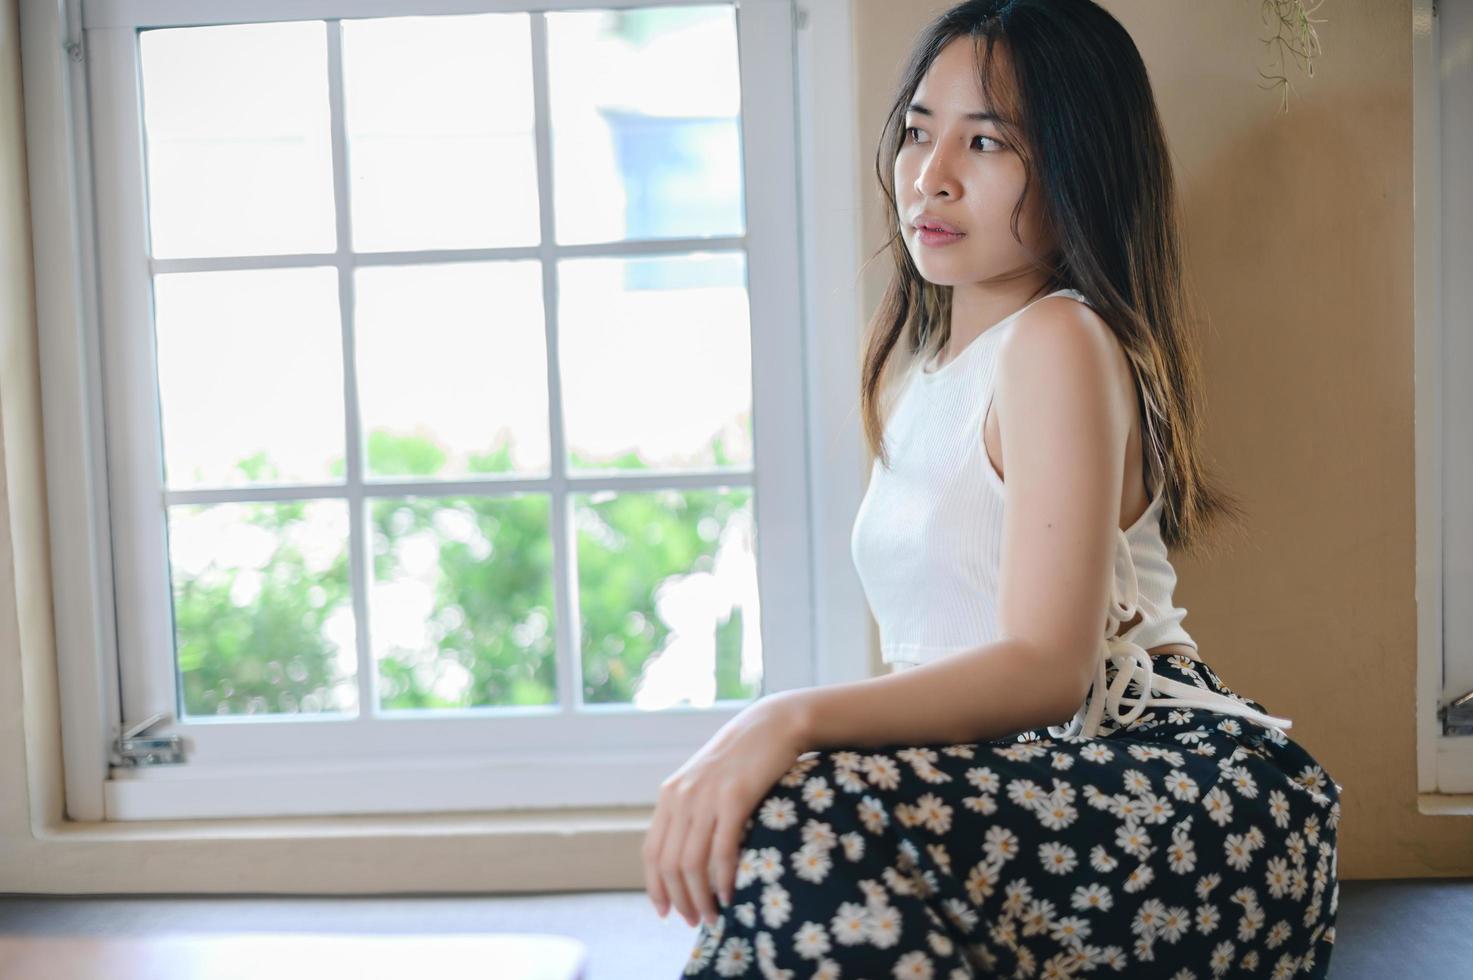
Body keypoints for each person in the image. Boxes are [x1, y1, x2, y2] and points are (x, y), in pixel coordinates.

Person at [644, 1, 1342, 976]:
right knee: (794, 827)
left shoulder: (1058, 339)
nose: (931, 174)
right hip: (1031, 786)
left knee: (804, 804)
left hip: (1175, 788)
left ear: (1076, 164)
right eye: (919, 131)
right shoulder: (924, 368)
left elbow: (1046, 670)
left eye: (985, 140)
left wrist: (782, 716)